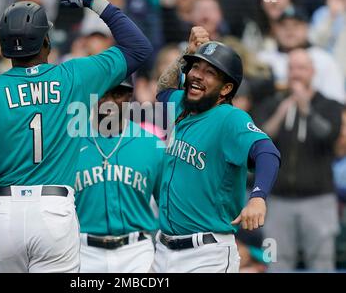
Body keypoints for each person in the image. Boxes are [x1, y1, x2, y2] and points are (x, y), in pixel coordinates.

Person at [0, 0, 153, 273]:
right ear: (46, 41)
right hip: (53, 210)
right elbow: (138, 47)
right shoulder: (74, 75)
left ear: (4, 46)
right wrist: (95, 1)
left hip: (3, 213)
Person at [150, 27, 281, 273]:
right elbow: (163, 91)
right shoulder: (182, 105)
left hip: (206, 254)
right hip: (163, 250)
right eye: (196, 67)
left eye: (210, 72)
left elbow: (267, 152)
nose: (197, 75)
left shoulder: (230, 118)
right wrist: (185, 55)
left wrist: (258, 197)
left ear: (225, 89)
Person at [257, 49, 342, 272]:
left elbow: (329, 136)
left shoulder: (330, 105)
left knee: (322, 263)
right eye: (292, 68)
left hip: (319, 199)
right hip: (277, 200)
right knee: (276, 262)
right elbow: (260, 139)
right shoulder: (273, 103)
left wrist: (306, 110)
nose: (296, 73)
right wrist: (282, 112)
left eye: (302, 68)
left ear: (313, 72)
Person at [74, 78, 164, 273]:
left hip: (137, 252)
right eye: (103, 93)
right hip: (82, 251)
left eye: (117, 94)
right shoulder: (69, 145)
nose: (109, 101)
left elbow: (166, 205)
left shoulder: (151, 145)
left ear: (129, 97)